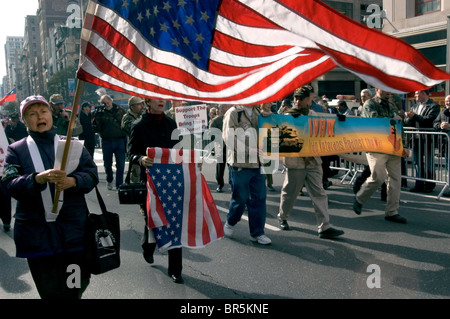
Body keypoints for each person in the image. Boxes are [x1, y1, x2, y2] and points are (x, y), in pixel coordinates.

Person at [1, 95, 98, 299]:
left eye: (43, 112)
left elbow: (91, 175)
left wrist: (74, 181)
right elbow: (9, 184)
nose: (39, 117)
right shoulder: (16, 149)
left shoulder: (71, 144)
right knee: (51, 292)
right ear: (24, 119)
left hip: (73, 233)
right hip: (37, 237)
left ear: (50, 115)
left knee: (74, 287)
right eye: (32, 114)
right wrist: (36, 179)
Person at [128, 98, 184, 283]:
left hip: (171, 179)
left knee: (174, 222)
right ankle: (148, 245)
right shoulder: (139, 126)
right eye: (157, 99)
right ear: (148, 102)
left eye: (164, 99)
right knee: (152, 220)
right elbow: (132, 153)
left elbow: (178, 148)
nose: (162, 102)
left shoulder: (171, 123)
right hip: (149, 181)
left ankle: (176, 269)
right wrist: (141, 159)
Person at [277, 86, 344, 239]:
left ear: (310, 99)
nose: (297, 101)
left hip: (313, 162)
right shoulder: (288, 115)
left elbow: (327, 129)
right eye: (296, 98)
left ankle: (324, 226)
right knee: (290, 193)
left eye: (301, 98)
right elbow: (278, 134)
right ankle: (282, 217)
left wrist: (339, 122)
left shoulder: (314, 115)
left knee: (319, 194)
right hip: (296, 163)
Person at [353, 88, 409, 223]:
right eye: (386, 88)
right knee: (378, 177)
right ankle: (360, 198)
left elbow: (398, 126)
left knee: (395, 180)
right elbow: (373, 122)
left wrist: (404, 146)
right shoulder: (370, 104)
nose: (389, 91)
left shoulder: (391, 105)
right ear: (378, 88)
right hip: (376, 147)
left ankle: (392, 212)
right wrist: (392, 119)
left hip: (392, 147)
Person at [222, 103, 271, 245]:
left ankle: (257, 233)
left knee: (259, 198)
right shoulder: (234, 113)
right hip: (240, 163)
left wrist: (270, 118)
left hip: (258, 163)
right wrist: (248, 150)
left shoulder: (260, 113)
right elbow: (228, 138)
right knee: (240, 198)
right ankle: (231, 221)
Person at [404, 90, 440, 193]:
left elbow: (429, 120)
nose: (415, 95)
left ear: (423, 93)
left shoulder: (434, 106)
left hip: (427, 138)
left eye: (417, 93)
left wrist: (414, 116)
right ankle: (418, 184)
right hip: (416, 138)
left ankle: (429, 185)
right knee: (417, 162)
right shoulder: (414, 106)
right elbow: (408, 122)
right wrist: (409, 118)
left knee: (428, 162)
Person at [93, 94, 127, 190]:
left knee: (120, 164)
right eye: (104, 102)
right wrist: (97, 117)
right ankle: (109, 179)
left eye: (108, 101)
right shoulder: (100, 112)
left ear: (111, 101)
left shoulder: (119, 110)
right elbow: (96, 128)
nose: (107, 104)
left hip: (119, 139)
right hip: (107, 140)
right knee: (108, 163)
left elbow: (125, 122)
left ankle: (119, 184)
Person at [209, 104, 232, 192]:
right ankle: (220, 184)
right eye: (227, 106)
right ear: (222, 109)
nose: (229, 108)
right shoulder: (215, 121)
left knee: (231, 166)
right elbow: (211, 135)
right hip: (220, 147)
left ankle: (232, 183)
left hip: (230, 147)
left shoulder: (232, 118)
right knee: (220, 167)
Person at [433, 94, 450, 196]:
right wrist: (440, 125)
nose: (447, 103)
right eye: (446, 101)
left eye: (449, 101)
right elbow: (435, 123)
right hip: (445, 144)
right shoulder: (443, 111)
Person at [260, 102, 276, 192]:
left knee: (270, 164)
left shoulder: (273, 114)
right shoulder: (260, 114)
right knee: (263, 163)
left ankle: (269, 183)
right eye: (267, 103)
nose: (269, 105)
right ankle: (264, 182)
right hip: (262, 141)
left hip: (271, 141)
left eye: (270, 104)